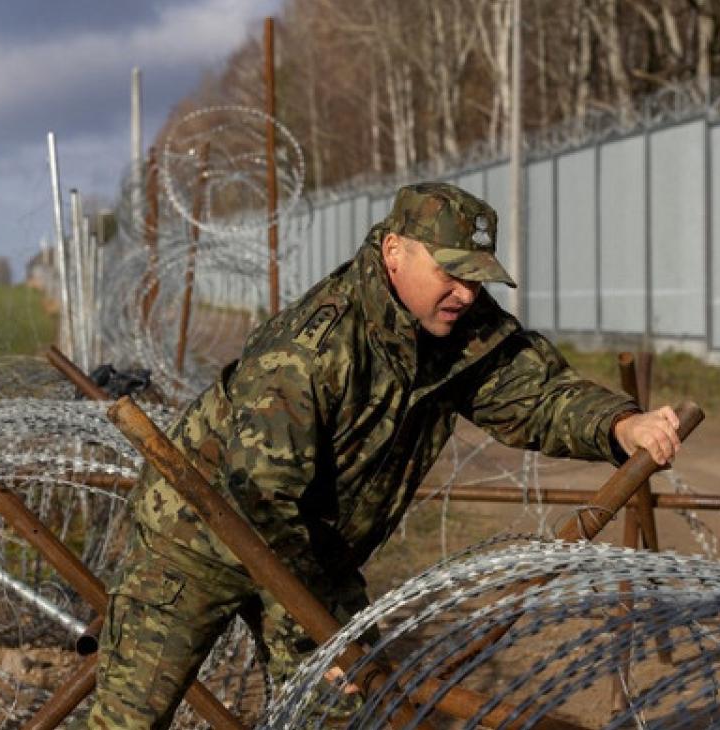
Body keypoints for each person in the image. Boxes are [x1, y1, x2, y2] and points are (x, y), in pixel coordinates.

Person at [85, 182, 682, 728]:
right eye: (451, 272)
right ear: (394, 251)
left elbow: (535, 395)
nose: (465, 292)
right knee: (131, 717)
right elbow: (260, 502)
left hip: (315, 552)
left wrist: (620, 424)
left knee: (340, 716)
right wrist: (323, 631)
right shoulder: (308, 351)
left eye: (477, 277)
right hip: (198, 542)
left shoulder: (462, 331)